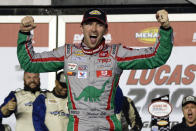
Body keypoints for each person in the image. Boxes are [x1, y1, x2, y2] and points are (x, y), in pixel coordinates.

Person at [17, 8, 173, 131]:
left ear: (105, 30)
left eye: (99, 24)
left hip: (108, 124)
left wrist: (165, 29)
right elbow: (31, 63)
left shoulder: (116, 53)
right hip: (79, 124)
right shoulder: (68, 53)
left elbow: (155, 57)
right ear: (82, 27)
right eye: (89, 23)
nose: (94, 29)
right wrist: (24, 33)